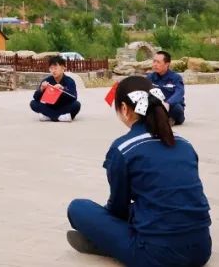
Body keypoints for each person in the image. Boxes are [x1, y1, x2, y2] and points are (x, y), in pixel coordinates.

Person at [66, 76, 211, 266]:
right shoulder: (185, 144)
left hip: (157, 255)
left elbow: (118, 208)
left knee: (78, 208)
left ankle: (107, 243)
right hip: (201, 249)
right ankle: (114, 241)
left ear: (124, 109)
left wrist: (104, 223)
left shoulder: (124, 148)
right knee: (149, 207)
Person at [29, 55, 80, 122]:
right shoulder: (47, 80)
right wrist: (41, 89)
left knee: (76, 104)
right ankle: (60, 117)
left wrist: (62, 89)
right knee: (33, 103)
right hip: (50, 106)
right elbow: (36, 98)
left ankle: (48, 116)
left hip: (63, 106)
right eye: (51, 68)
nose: (53, 71)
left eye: (55, 68)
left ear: (63, 68)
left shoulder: (69, 81)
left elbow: (74, 97)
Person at [146, 50, 186, 125]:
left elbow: (180, 92)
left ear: (167, 64)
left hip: (171, 108)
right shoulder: (150, 77)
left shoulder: (176, 78)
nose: (155, 64)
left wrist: (168, 103)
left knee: (177, 108)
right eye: (154, 61)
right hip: (157, 107)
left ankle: (170, 119)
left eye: (158, 62)